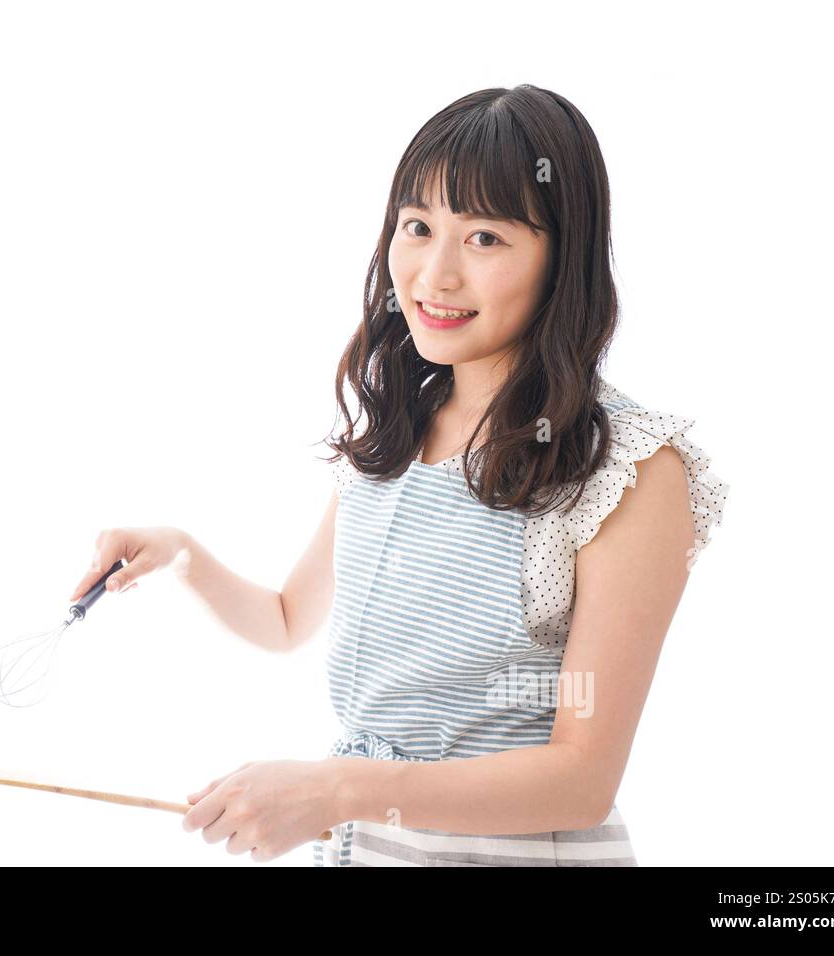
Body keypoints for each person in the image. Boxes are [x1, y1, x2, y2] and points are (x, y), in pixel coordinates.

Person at [68, 85, 730, 866]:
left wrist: (339, 788)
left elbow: (581, 777)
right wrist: (183, 555)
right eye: (417, 228)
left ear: (563, 258)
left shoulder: (625, 468)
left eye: (485, 238)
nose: (435, 274)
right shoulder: (396, 437)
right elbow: (286, 620)